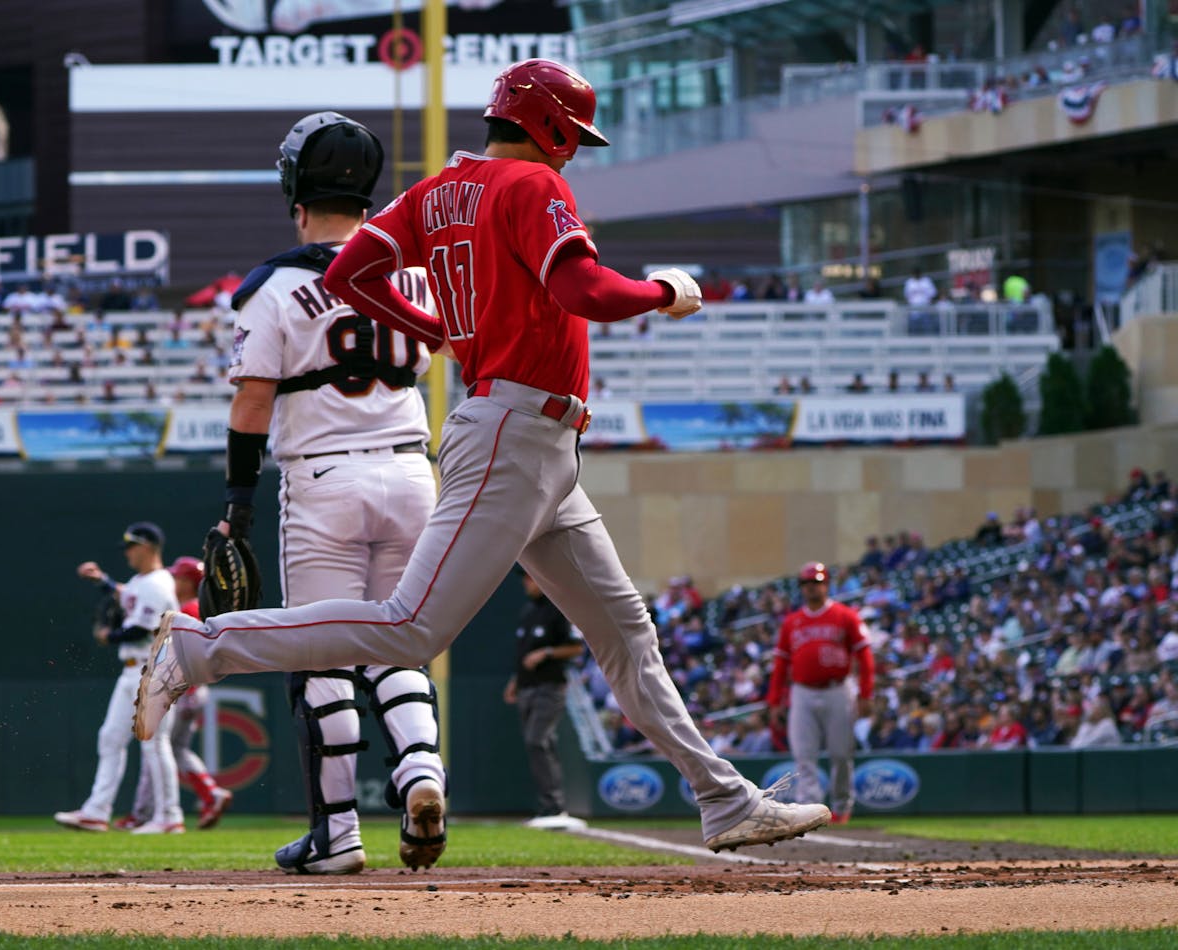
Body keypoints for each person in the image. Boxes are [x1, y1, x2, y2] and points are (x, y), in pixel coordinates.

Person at [135, 59, 832, 855]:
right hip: (514, 430)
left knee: (626, 631)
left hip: (536, 440)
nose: (574, 150)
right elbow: (584, 291)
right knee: (407, 630)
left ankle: (723, 798)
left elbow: (350, 269)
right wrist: (663, 293)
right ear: (548, 122)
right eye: (573, 133)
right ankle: (200, 646)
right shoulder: (533, 185)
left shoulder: (436, 191)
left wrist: (429, 328)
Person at [215, 111, 448, 875]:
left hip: (322, 476)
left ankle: (338, 836)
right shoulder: (414, 271)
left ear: (294, 185)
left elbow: (252, 404)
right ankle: (420, 772)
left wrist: (238, 503)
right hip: (412, 468)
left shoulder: (276, 284)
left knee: (322, 657)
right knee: (401, 642)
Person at [55, 522, 185, 834]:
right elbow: (126, 596)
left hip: (155, 670)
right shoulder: (142, 582)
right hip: (134, 670)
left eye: (131, 546)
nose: (126, 552)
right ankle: (96, 811)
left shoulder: (157, 583)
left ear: (147, 547)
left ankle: (169, 816)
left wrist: (107, 636)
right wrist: (102, 581)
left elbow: (138, 628)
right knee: (111, 737)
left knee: (154, 744)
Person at [118, 556, 234, 831]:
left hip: (181, 689)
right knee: (172, 748)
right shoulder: (191, 606)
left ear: (186, 581)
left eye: (177, 577)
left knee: (156, 749)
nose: (172, 581)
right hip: (191, 689)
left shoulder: (189, 609)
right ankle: (210, 793)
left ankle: (143, 814)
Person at [765, 562, 875, 825]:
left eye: (817, 582)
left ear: (827, 585)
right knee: (804, 755)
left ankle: (841, 806)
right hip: (801, 692)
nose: (812, 588)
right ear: (802, 588)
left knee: (841, 753)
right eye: (807, 583)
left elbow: (865, 656)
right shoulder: (792, 622)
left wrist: (866, 694)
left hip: (837, 689)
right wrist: (774, 700)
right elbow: (781, 664)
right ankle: (809, 809)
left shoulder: (846, 615)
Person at [503, 568, 586, 830]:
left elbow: (577, 647)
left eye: (530, 578)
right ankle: (547, 805)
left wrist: (546, 652)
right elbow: (523, 653)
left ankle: (554, 806)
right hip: (528, 687)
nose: (526, 583)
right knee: (540, 743)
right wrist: (516, 681)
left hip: (550, 687)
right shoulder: (528, 612)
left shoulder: (558, 609)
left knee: (538, 740)